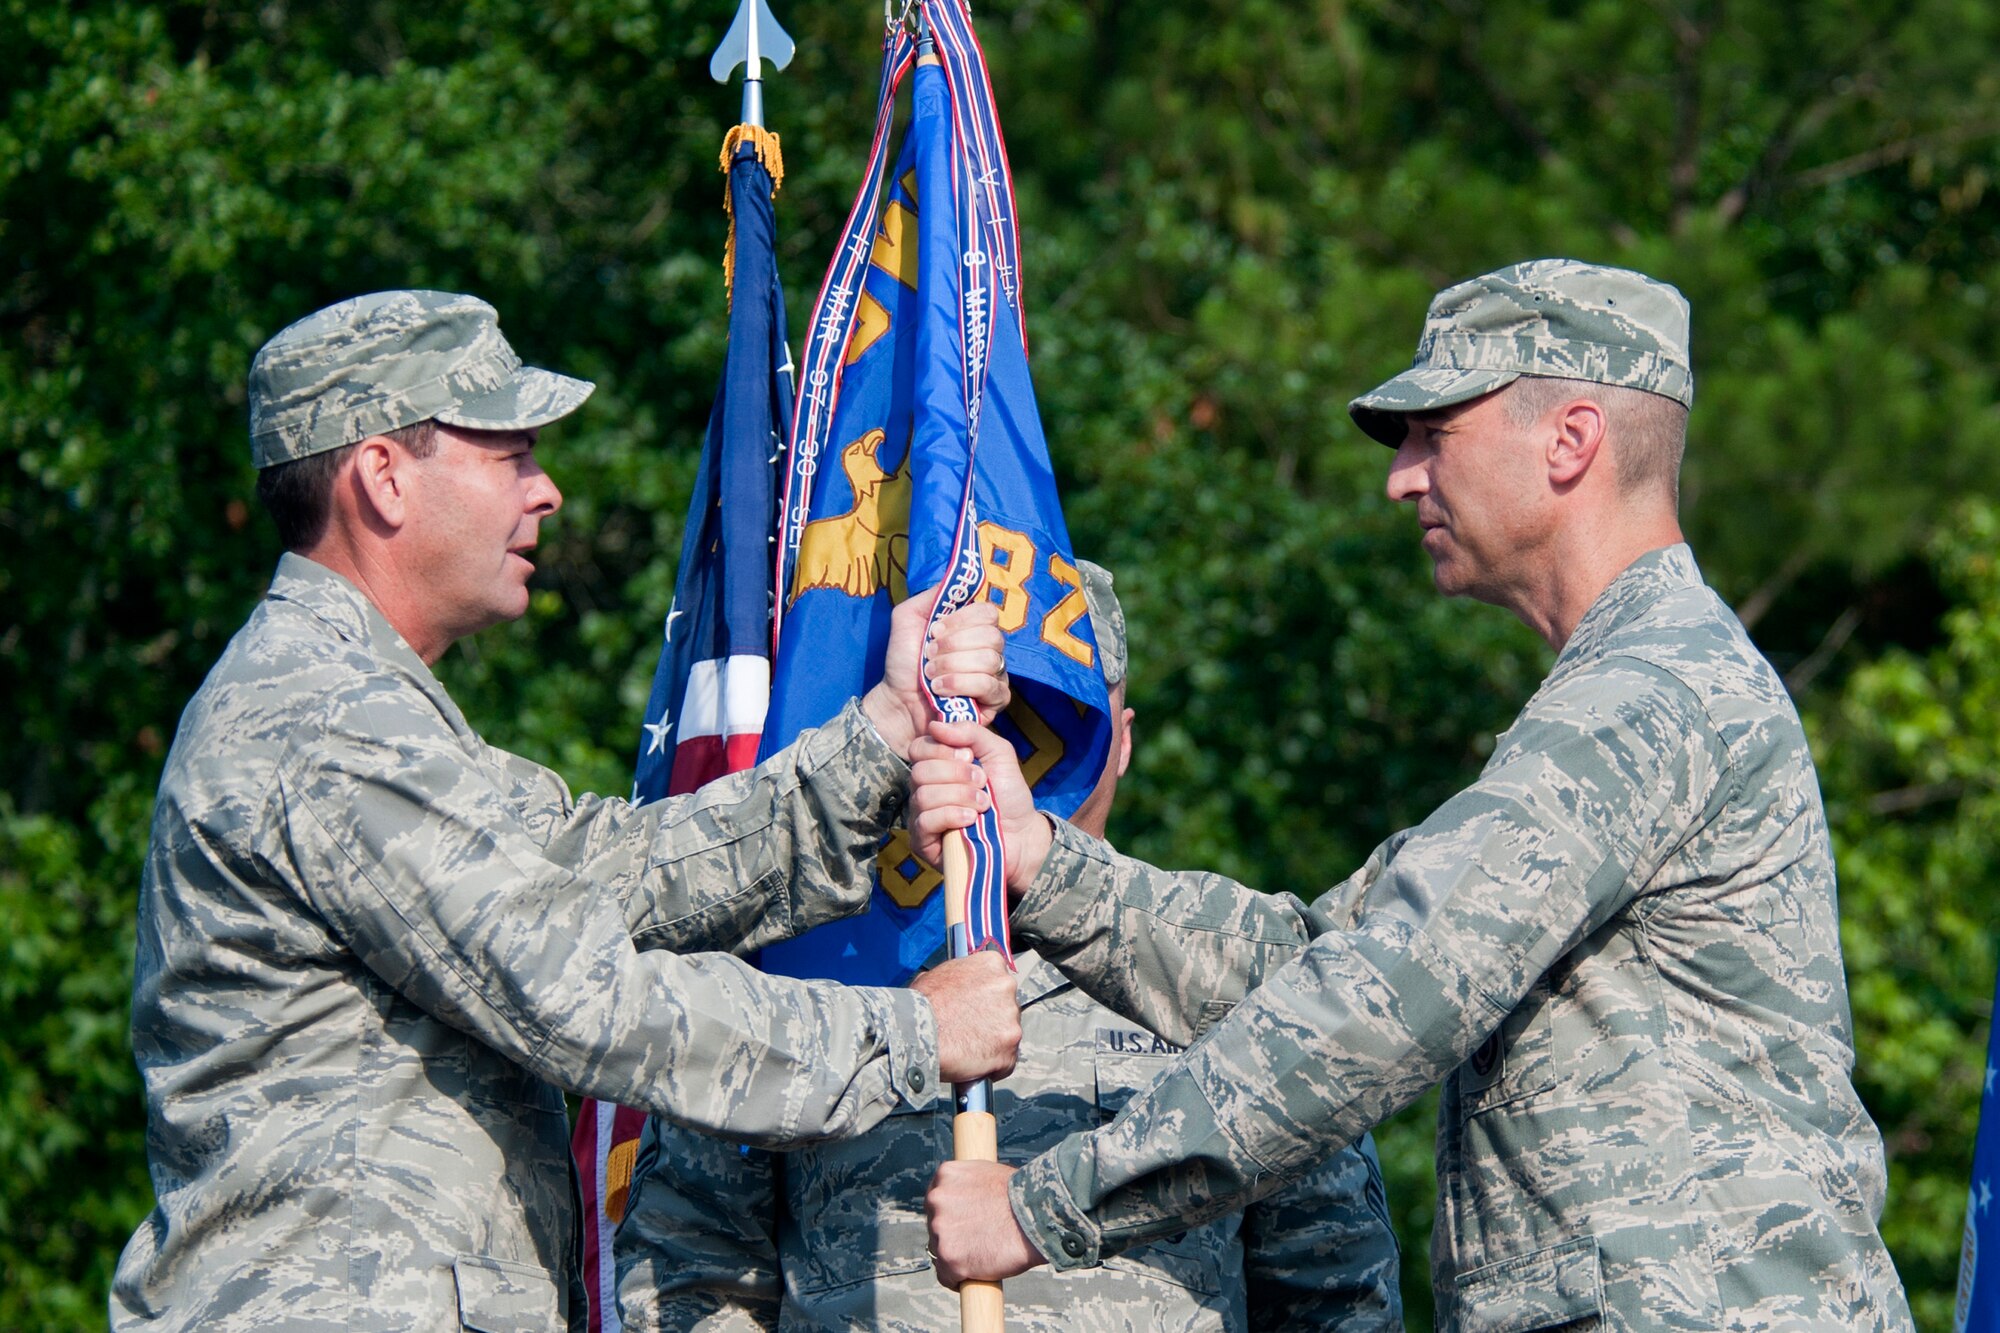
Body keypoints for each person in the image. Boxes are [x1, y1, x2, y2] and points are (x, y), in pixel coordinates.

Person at [912, 261, 1916, 1331]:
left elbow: (1380, 1004)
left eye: (1434, 432)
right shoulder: (1616, 697)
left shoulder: (1647, 695)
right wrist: (1043, 862)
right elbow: (1313, 962)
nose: (1401, 477)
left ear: (1569, 440)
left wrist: (1044, 1207)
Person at [112, 290, 1023, 1333]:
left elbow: (611, 870)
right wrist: (913, 1032)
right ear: (383, 477)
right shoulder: (324, 724)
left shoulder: (354, 708)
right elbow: (585, 999)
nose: (545, 492)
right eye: (510, 454)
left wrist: (884, 730)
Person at [614, 562, 1403, 1332]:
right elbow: (690, 1272)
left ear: (1120, 742)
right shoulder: (808, 962)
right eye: (982, 709)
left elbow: (1331, 1287)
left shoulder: (1221, 964)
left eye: (1053, 719)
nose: (1007, 747)